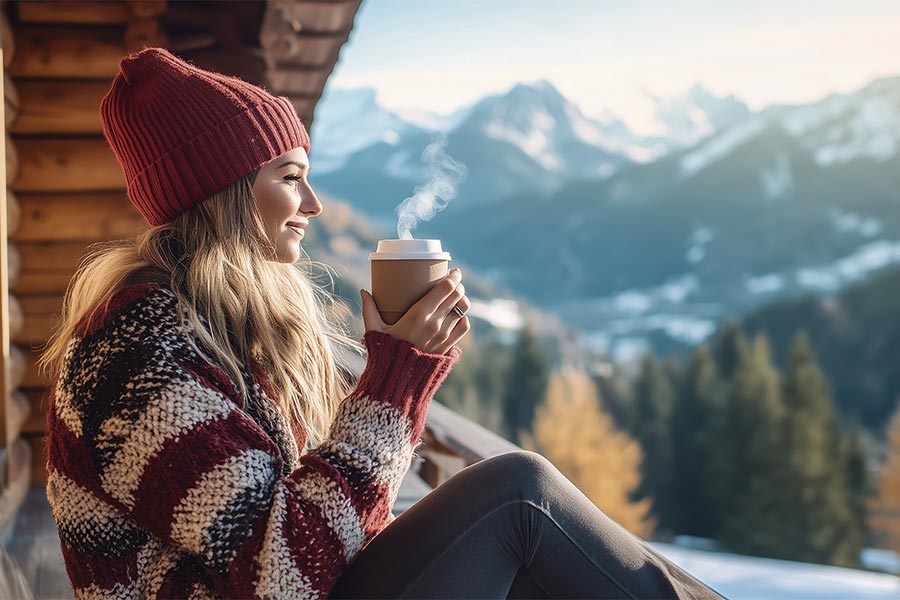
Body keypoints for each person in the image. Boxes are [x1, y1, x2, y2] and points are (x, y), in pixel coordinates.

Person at [40, 47, 723, 599]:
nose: (313, 202)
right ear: (220, 192)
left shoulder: (204, 330)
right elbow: (284, 575)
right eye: (289, 177)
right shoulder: (141, 353)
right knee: (519, 496)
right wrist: (395, 382)